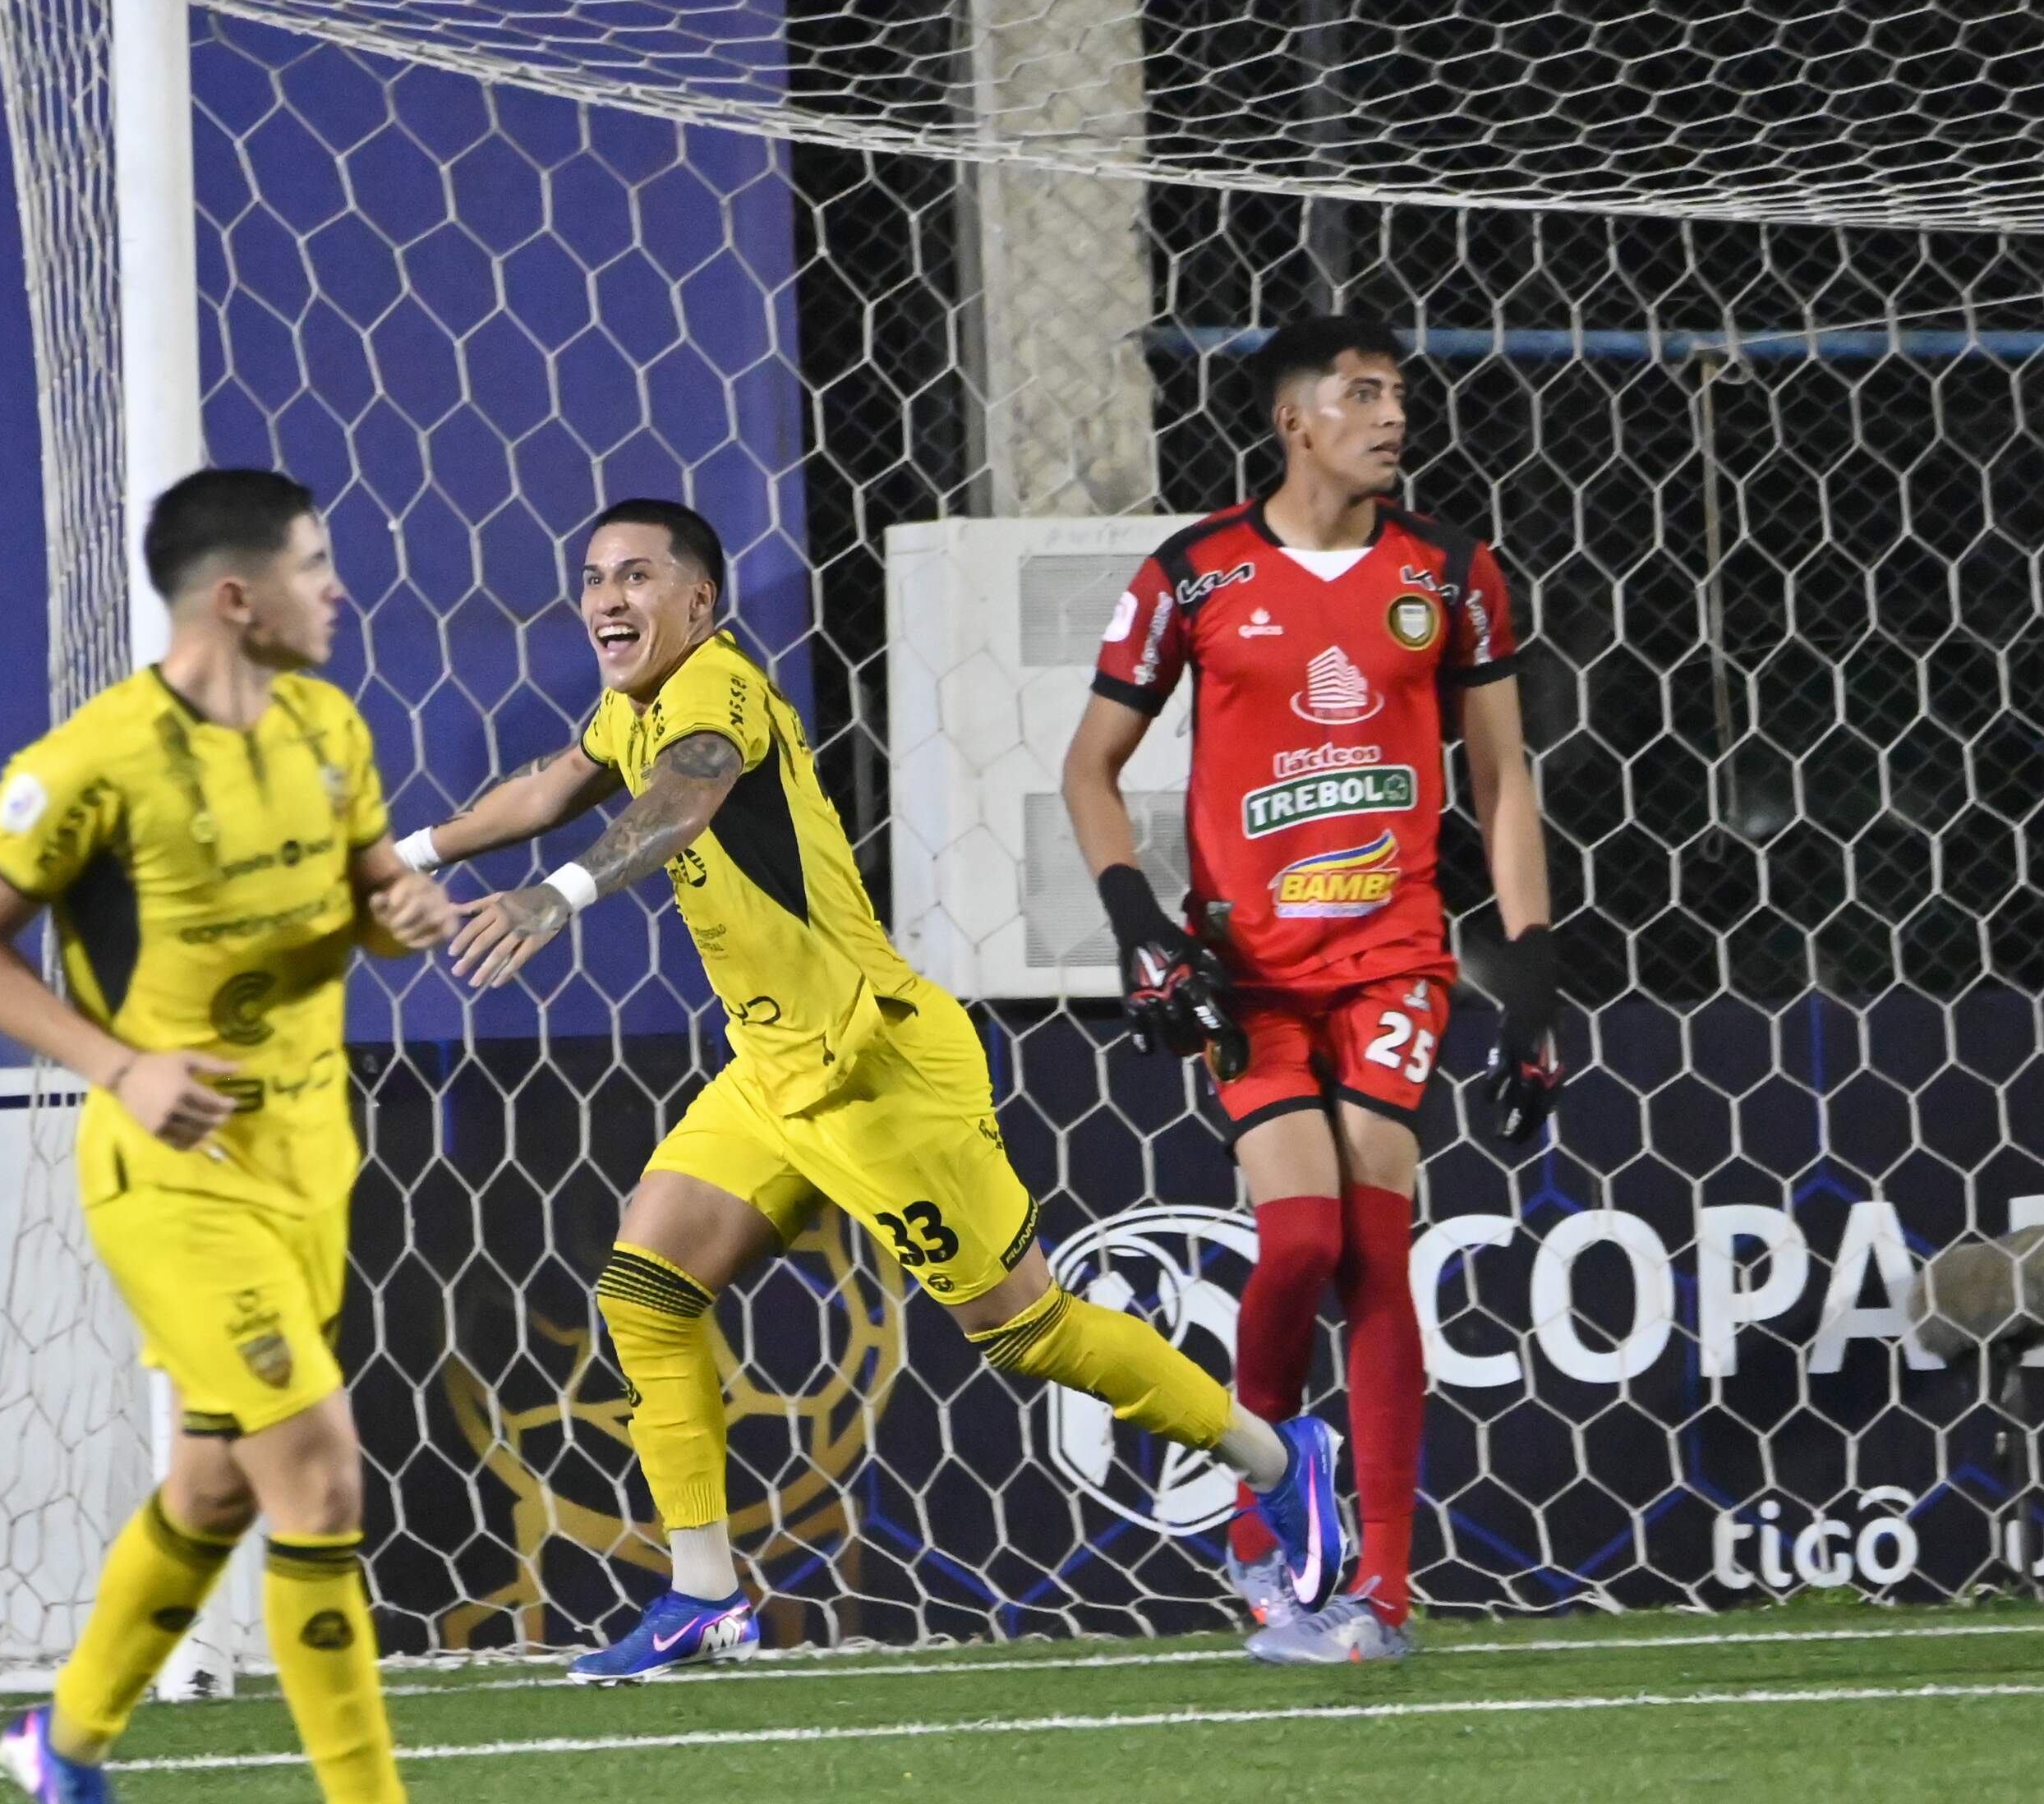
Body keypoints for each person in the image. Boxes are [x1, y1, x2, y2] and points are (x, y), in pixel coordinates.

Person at [397, 496, 1345, 1682]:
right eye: (592, 578)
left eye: (636, 576)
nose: (606, 599)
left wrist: (559, 896)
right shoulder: (633, 704)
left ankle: (1280, 1459)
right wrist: (407, 856)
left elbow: (683, 795)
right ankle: (703, 1593)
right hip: (773, 1068)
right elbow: (547, 790)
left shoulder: (717, 692)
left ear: (702, 601)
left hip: (875, 1065)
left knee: (1028, 1333)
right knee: (646, 1287)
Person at [0, 467, 496, 1804]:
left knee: (216, 1486)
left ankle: (63, 1744)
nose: (339, 590)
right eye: (315, 565)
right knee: (320, 1473)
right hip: (173, 1176)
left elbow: (369, 906)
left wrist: (404, 914)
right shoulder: (93, 762)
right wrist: (119, 1066)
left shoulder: (329, 729)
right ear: (237, 598)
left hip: (312, 1160)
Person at [1061, 313, 1560, 1667]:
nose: (1393, 415)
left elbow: (1503, 778)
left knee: (1375, 1249)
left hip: (1394, 955)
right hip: (1245, 971)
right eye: (1362, 393)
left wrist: (1530, 981)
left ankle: (1383, 1596)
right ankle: (1262, 1514)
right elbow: (1089, 769)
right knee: (1294, 1245)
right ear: (1294, 421)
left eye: (1398, 393)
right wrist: (1139, 927)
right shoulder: (1194, 574)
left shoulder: (1453, 572)